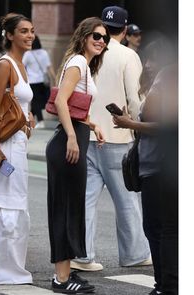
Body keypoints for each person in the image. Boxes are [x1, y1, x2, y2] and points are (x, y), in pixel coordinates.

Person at [70, 6, 151, 272]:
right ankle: (135, 254)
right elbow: (135, 99)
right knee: (126, 200)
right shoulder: (129, 55)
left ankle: (81, 255)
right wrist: (139, 127)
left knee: (86, 199)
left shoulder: (88, 52)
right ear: (125, 30)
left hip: (88, 133)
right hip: (117, 136)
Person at [45, 17, 109, 293]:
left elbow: (73, 106)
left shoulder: (81, 63)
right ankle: (61, 279)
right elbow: (60, 100)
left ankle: (65, 272)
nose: (101, 41)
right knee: (65, 209)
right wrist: (72, 136)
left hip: (74, 140)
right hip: (67, 145)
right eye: (96, 35)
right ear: (84, 35)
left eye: (105, 38)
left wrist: (91, 125)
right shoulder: (78, 62)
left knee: (71, 207)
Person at [113, 39, 178, 295]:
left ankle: (168, 286)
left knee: (162, 227)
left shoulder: (168, 77)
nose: (148, 64)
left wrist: (131, 124)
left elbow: (169, 126)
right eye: (147, 58)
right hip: (158, 164)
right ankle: (164, 284)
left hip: (161, 166)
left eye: (154, 58)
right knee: (159, 227)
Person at [0, 13, 36, 285]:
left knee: (17, 203)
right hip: (6, 145)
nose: (30, 35)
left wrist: (29, 120)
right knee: (6, 204)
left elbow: (18, 104)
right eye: (24, 31)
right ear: (10, 35)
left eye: (32, 31)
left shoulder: (21, 64)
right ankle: (3, 272)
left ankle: (12, 269)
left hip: (20, 142)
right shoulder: (5, 64)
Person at [23, 35, 56, 128]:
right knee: (38, 101)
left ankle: (40, 121)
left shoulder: (28, 54)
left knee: (35, 101)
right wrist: (54, 78)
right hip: (43, 81)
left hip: (32, 81)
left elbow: (22, 66)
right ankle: (29, 119)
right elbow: (49, 67)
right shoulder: (44, 53)